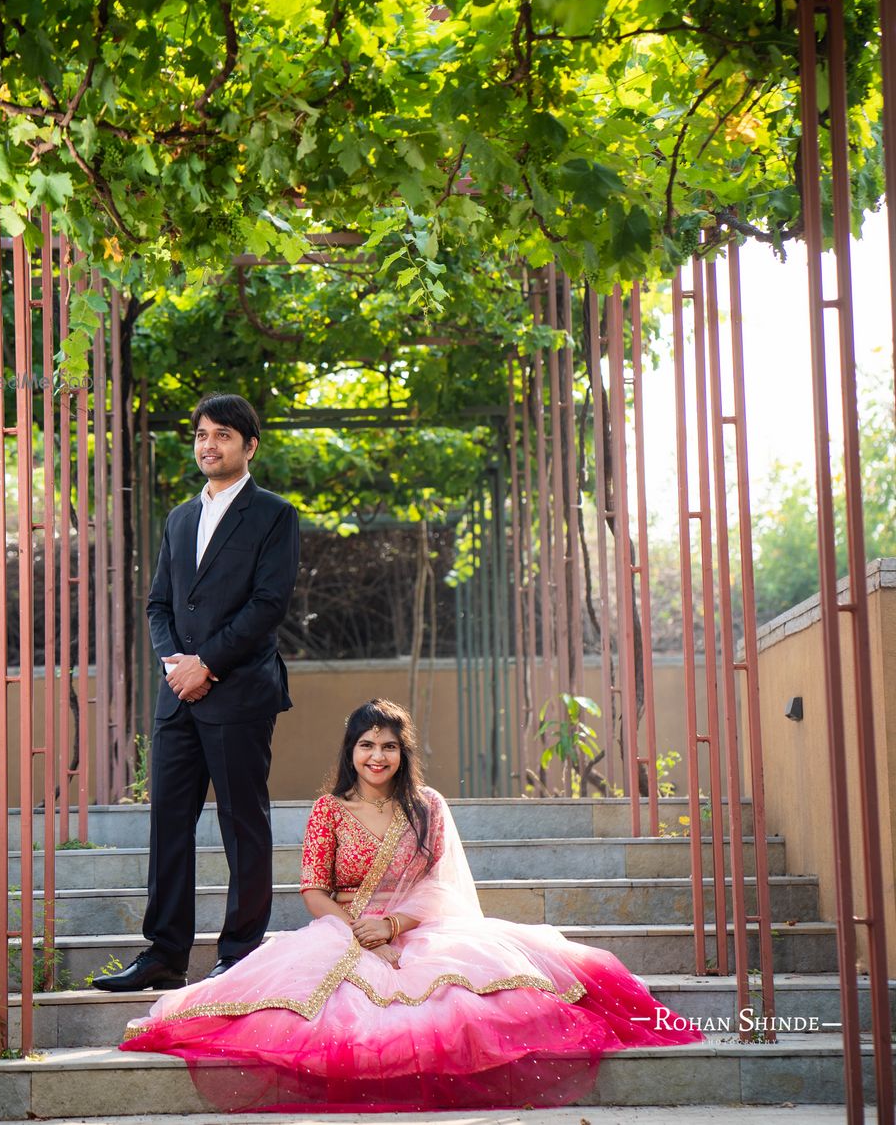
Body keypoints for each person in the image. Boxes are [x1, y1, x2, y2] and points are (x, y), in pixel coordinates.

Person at [121, 698, 702, 1109]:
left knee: (469, 998)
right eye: (368, 745)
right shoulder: (329, 810)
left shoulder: (427, 806)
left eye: (390, 746)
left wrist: (394, 923)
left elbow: (442, 886)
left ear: (404, 752)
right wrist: (357, 929)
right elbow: (312, 888)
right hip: (343, 927)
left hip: (421, 927)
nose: (378, 757)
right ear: (351, 750)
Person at [94, 393, 300, 993]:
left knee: (243, 823)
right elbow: (159, 602)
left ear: (249, 445)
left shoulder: (274, 515)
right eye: (202, 434)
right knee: (169, 823)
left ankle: (239, 954)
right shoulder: (180, 518)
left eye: (223, 435)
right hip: (177, 695)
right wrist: (176, 665)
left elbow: (269, 605)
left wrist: (207, 664)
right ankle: (163, 954)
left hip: (239, 693)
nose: (209, 444)